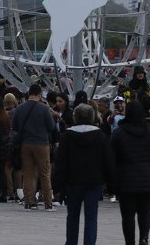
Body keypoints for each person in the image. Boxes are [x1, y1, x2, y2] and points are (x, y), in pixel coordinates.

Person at [53, 103, 114, 245]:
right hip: (94, 182)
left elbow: (61, 163)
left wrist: (57, 187)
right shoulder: (100, 136)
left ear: (75, 117)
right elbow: (108, 161)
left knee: (72, 216)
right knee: (91, 217)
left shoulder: (67, 136)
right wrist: (111, 186)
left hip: (72, 182)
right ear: (92, 117)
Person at [111, 101, 150, 245]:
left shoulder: (119, 133)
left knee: (128, 216)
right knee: (145, 213)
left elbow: (111, 158)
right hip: (147, 180)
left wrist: (111, 182)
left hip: (126, 181)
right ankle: (144, 238)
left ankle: (130, 242)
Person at [10, 83, 55, 210]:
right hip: (41, 143)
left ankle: (29, 202)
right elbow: (51, 127)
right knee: (44, 173)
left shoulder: (19, 108)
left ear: (29, 94)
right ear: (39, 95)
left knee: (28, 173)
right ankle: (47, 202)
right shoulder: (44, 109)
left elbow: (15, 127)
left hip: (26, 144)